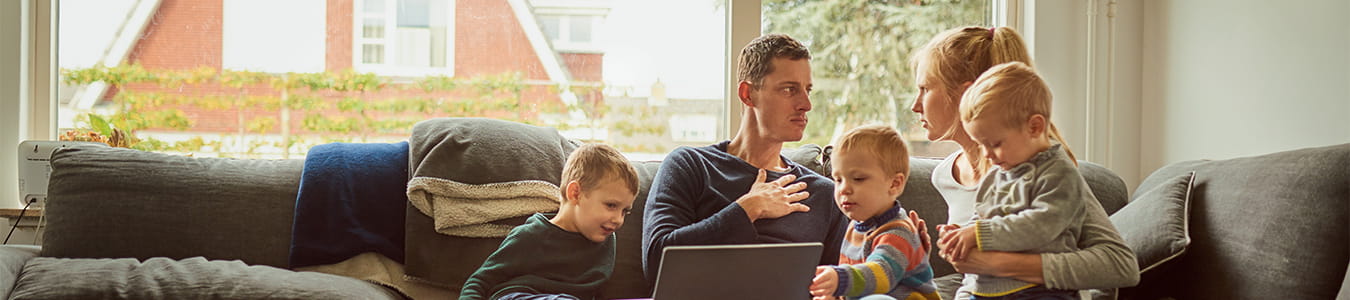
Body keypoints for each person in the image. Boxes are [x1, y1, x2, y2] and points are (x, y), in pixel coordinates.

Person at [908, 26, 1138, 299]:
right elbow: (970, 277)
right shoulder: (946, 175)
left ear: (963, 94)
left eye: (924, 89)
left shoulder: (1041, 169)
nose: (915, 105)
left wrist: (996, 263)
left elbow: (1119, 263)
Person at [641, 34, 850, 286]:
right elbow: (656, 262)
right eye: (789, 89)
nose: (806, 104)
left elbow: (838, 287)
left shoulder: (825, 195)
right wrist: (748, 208)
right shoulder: (690, 165)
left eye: (807, 90)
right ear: (748, 94)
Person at [938, 62, 1117, 299]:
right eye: (981, 144)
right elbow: (981, 214)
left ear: (1034, 127)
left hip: (1039, 291)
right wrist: (961, 233)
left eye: (995, 144)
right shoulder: (998, 173)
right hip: (987, 290)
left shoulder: (1059, 174)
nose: (987, 154)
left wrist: (978, 234)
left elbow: (1040, 226)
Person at [459, 143, 640, 300]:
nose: (618, 220)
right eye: (611, 205)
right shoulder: (533, 234)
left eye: (625, 211)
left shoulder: (607, 242)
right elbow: (479, 281)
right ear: (575, 193)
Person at [808, 125, 941, 300]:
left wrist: (839, 279)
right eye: (838, 179)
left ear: (894, 184)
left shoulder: (898, 232)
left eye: (858, 179)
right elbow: (857, 287)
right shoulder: (855, 227)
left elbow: (881, 275)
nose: (844, 189)